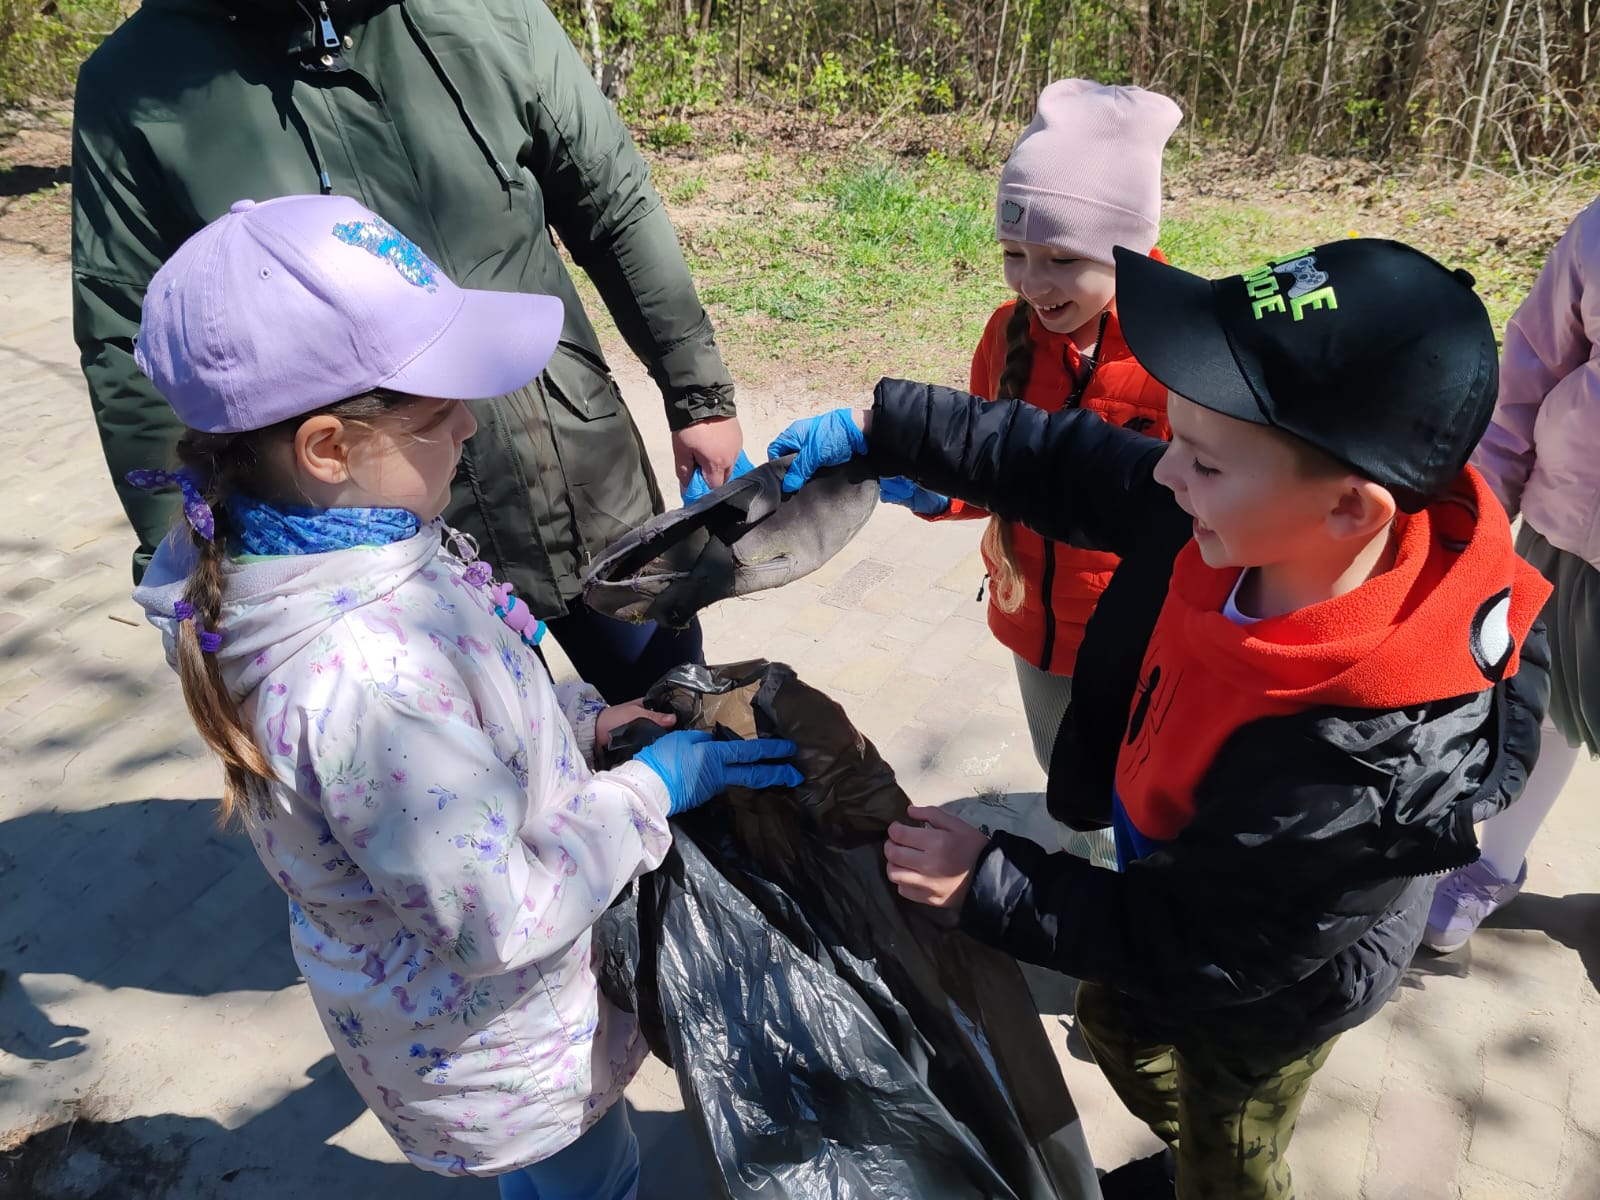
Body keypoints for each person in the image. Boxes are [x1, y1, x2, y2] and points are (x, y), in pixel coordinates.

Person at [768, 238, 1550, 1198]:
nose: (1166, 474)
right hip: (1171, 887)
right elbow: (1064, 458)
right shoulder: (1236, 513)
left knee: (1229, 1129)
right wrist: (883, 428)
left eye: (1203, 461)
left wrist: (991, 884)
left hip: (1265, 994)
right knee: (1115, 1028)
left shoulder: (1365, 770)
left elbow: (1210, 948)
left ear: (1352, 508)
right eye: (1174, 440)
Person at [128, 193, 801, 1195]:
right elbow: (498, 917)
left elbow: (468, 722)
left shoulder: (348, 541)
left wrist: (584, 725)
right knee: (588, 1181)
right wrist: (650, 792)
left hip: (478, 1022)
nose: (471, 424)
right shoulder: (366, 678)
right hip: (500, 1047)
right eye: (441, 415)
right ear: (328, 448)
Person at [74, 0, 742, 702]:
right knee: (485, 739)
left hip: (577, 469)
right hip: (363, 553)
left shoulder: (489, 12)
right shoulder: (133, 86)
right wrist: (196, 575)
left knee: (672, 697)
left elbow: (612, 201)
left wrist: (697, 393)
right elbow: (130, 343)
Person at [884, 80, 1177, 868]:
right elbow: (984, 466)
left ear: (1127, 249)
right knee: (1066, 780)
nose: (1032, 283)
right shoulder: (1004, 333)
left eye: (1062, 260)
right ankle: (1088, 872)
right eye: (1014, 255)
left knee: (1140, 798)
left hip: (1138, 638)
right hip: (1032, 627)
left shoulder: (1179, 358)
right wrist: (929, 485)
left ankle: (1132, 902)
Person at [1425, 195, 1600, 951]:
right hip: (1569, 530)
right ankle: (1492, 865)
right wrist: (1483, 505)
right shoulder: (1598, 230)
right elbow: (1531, 364)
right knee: (1542, 705)